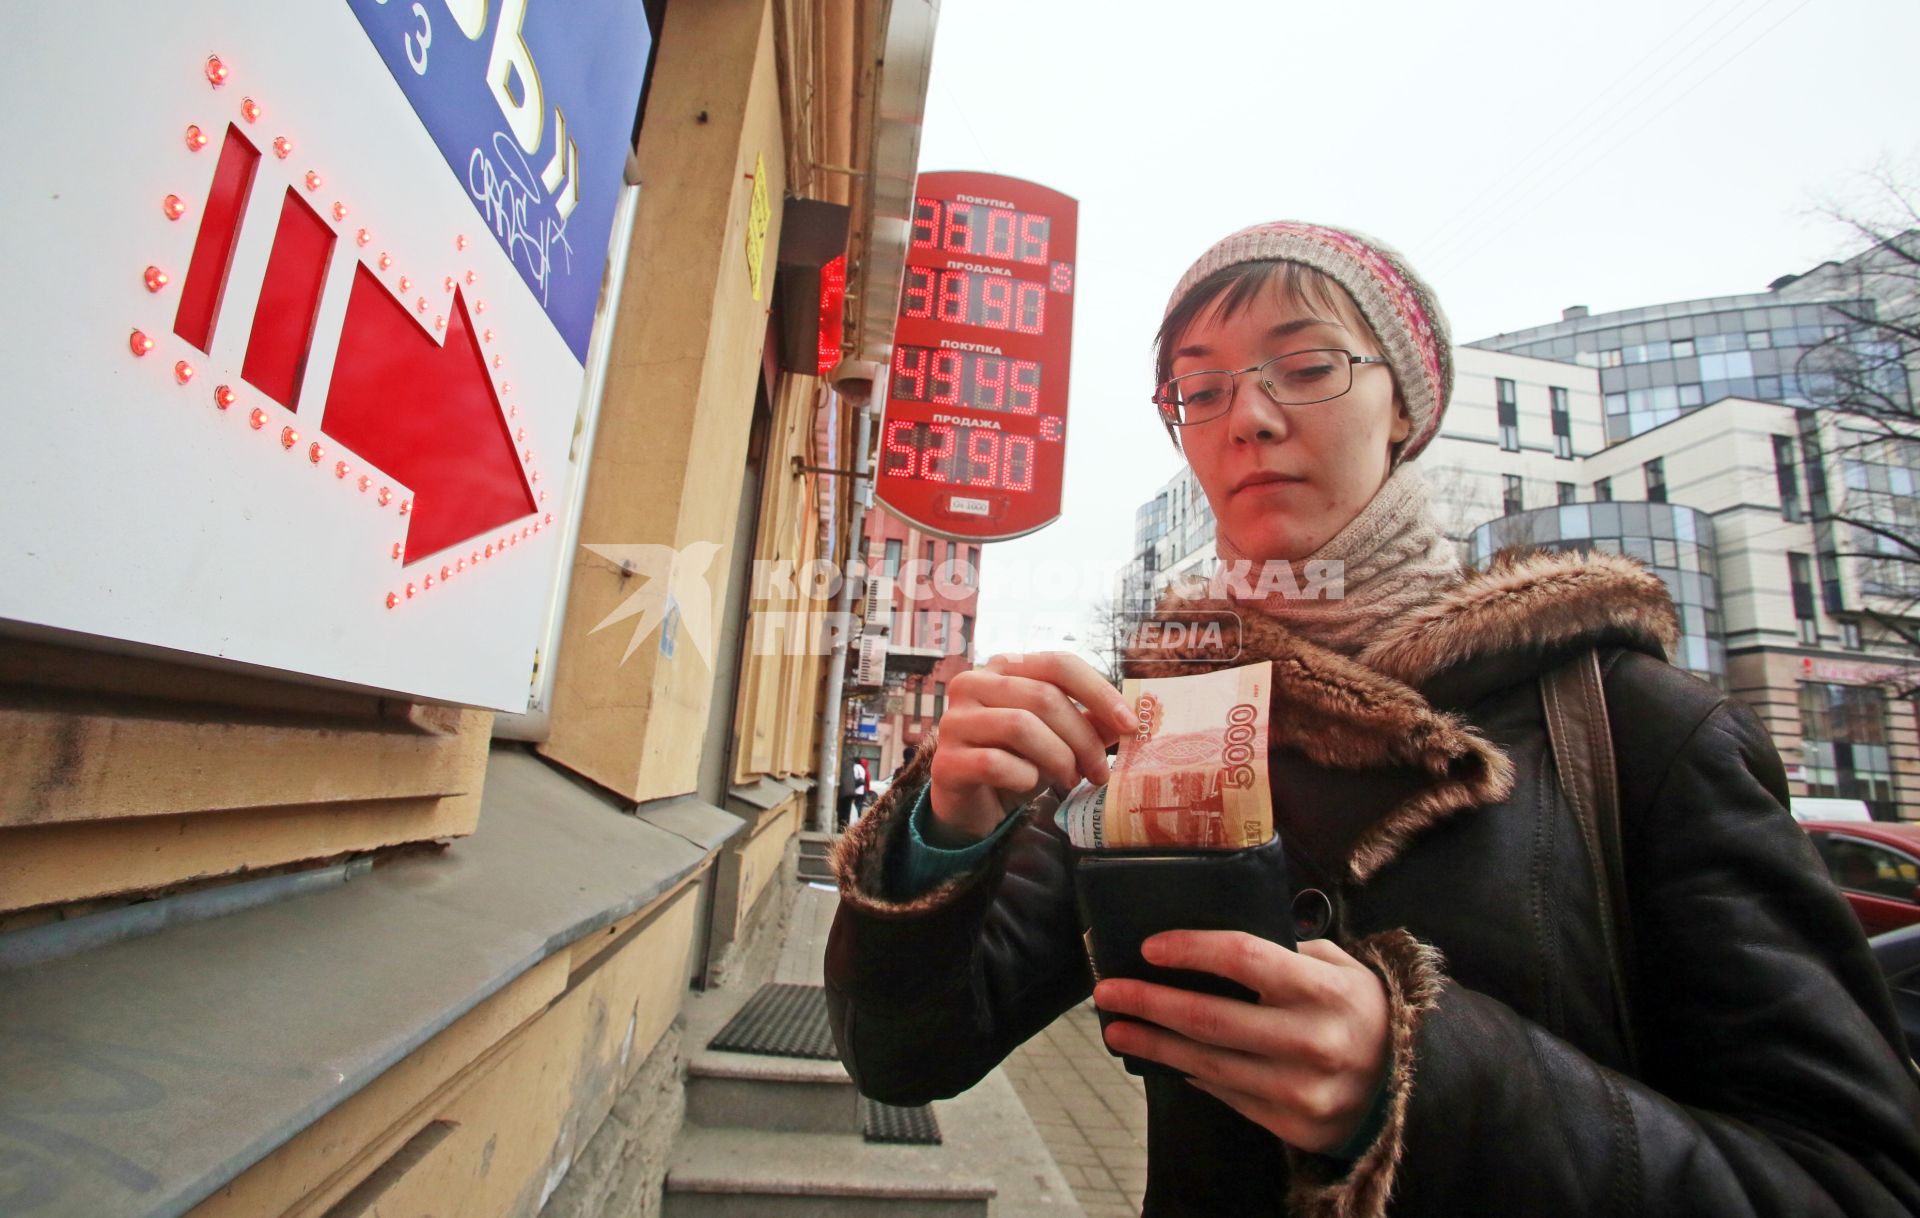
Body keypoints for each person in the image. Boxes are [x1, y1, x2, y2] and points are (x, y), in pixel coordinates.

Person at [824, 221, 1920, 1216]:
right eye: (1198, 392)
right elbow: (907, 1057)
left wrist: (1421, 1083)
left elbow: (1852, 1179)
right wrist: (946, 830)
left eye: (1305, 368)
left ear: (1406, 406)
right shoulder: (1168, 723)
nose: (1246, 419)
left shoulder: (1631, 728)